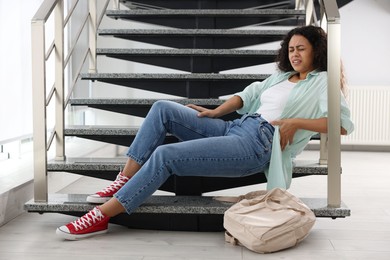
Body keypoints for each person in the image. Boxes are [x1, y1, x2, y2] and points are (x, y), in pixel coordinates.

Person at [56, 25, 354, 240]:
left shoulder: (322, 83)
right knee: (163, 108)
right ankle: (122, 180)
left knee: (165, 155)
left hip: (258, 144)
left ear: (317, 50)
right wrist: (215, 112)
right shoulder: (280, 76)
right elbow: (247, 96)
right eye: (290, 49)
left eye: (301, 48)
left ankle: (100, 217)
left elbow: (341, 126)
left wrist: (295, 123)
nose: (294, 54)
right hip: (236, 125)